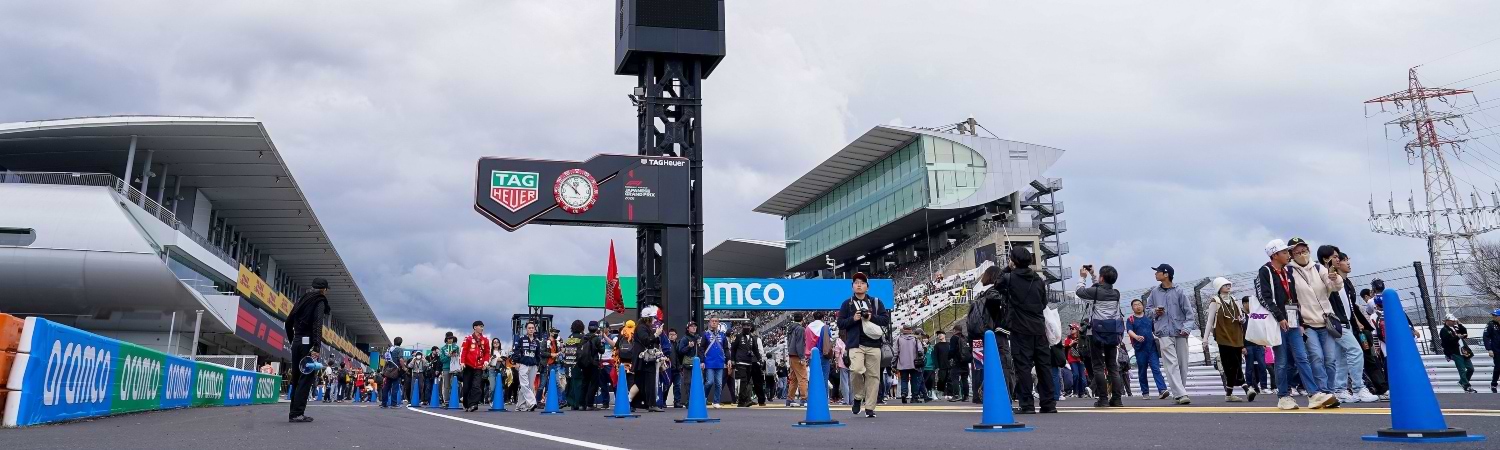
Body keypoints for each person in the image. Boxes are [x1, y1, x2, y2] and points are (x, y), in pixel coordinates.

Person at [1256, 239, 1334, 410]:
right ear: (1275, 255)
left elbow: (1294, 298)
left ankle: (1313, 394)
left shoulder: (1287, 272)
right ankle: (1283, 396)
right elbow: (1264, 297)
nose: (1288, 255)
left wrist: (1299, 321)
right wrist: (1279, 316)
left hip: (1292, 320)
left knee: (1302, 357)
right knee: (1282, 360)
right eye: (1284, 252)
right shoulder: (1265, 271)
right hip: (1277, 323)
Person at [987, 247, 1055, 414]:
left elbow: (995, 285)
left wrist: (1008, 268)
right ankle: (1049, 404)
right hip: (1039, 328)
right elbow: (1044, 303)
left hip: (1019, 327)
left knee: (1023, 366)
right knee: (1043, 366)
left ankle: (1027, 404)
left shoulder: (1009, 278)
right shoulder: (1038, 280)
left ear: (1013, 260)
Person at [1285, 238, 1341, 408]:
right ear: (1291, 254)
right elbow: (1289, 298)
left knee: (1330, 359)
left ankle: (1331, 391)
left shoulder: (1318, 268)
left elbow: (1335, 286)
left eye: (1303, 250)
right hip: (1307, 323)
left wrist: (1335, 278)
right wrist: (1296, 322)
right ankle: (1322, 392)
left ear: (1308, 250)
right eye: (1297, 252)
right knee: (1316, 357)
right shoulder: (1289, 272)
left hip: (1326, 321)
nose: (1301, 254)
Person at [1322, 247, 1379, 403]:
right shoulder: (1325, 279)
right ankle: (1358, 388)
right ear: (1327, 259)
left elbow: (1350, 305)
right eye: (1337, 257)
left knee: (1340, 358)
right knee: (1355, 351)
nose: (1340, 260)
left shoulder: (1344, 282)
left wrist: (1357, 322)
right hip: (1335, 323)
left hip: (1346, 323)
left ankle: (1340, 390)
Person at [837, 271, 891, 418]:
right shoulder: (847, 304)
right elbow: (840, 323)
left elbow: (885, 321)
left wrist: (870, 317)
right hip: (855, 344)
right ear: (852, 287)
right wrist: (853, 318)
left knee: (874, 376)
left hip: (874, 344)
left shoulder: (876, 302)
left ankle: (870, 407)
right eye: (856, 283)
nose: (859, 285)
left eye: (862, 283)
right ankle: (858, 396)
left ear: (867, 287)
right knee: (855, 370)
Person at [1145, 263, 1196, 405]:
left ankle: (1179, 393)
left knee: (1182, 364)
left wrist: (1186, 329)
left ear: (1166, 274)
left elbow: (1189, 314)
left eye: (1158, 272)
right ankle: (1181, 394)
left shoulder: (1180, 291)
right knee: (1171, 363)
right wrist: (1155, 311)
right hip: (1163, 332)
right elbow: (1147, 311)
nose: (1155, 274)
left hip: (1181, 332)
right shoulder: (1154, 292)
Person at [1077, 265, 1125, 407]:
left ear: (1102, 278)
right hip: (1113, 332)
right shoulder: (1116, 293)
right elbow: (1101, 287)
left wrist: (1083, 277)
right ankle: (1117, 399)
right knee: (1112, 367)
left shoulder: (1095, 292)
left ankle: (1103, 399)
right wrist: (1093, 275)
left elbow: (1080, 291)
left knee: (1098, 367)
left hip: (1096, 333)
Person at [284, 278, 331, 422]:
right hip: (309, 343)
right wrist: (316, 346)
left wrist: (293, 340)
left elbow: (288, 322)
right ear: (323, 289)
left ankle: (293, 412)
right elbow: (317, 324)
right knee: (306, 377)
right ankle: (298, 413)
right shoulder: (319, 300)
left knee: (297, 378)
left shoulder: (302, 299)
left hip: (297, 341)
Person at [1202, 277, 1248, 402]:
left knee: (1234, 364)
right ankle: (1246, 387)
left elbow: (1241, 316)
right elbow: (1209, 321)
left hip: (1236, 336)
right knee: (1233, 362)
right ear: (1219, 287)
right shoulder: (1215, 301)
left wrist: (1241, 320)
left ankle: (1229, 394)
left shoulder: (1234, 299)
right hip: (1223, 337)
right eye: (1225, 285)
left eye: (1229, 284)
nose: (1228, 286)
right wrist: (1205, 339)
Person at [1126, 298, 1166, 399]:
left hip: (1152, 347)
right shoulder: (1130, 319)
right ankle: (1145, 392)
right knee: (1142, 370)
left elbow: (1155, 330)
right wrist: (1136, 337)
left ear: (1143, 306)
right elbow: (1129, 331)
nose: (1138, 306)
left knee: (1156, 368)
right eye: (1135, 305)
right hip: (1140, 349)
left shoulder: (1149, 318)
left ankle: (1162, 390)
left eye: (1139, 304)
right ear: (1132, 308)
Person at [632, 309, 664, 412]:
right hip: (644, 358)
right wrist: (656, 334)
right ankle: (650, 404)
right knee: (646, 382)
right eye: (653, 317)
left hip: (644, 358)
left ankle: (635, 403)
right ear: (648, 318)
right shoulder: (641, 328)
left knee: (640, 382)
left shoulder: (644, 327)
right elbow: (646, 340)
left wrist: (656, 335)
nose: (654, 319)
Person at [1439, 314, 1478, 393]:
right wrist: (1457, 337)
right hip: (1455, 351)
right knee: (1462, 369)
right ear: (1447, 321)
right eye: (1452, 321)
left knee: (1471, 368)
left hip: (1464, 350)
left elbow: (1465, 333)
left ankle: (1461, 382)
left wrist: (1459, 324)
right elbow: (1447, 342)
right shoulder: (1444, 330)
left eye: (1454, 321)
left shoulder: (1456, 327)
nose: (1454, 322)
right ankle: (1466, 386)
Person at [457, 321, 490, 411]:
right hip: (468, 366)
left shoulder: (485, 339)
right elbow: (463, 351)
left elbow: (487, 352)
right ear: (475, 327)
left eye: (483, 326)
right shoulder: (468, 338)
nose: (482, 328)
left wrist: (486, 361)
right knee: (467, 386)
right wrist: (462, 362)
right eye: (480, 326)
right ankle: (466, 404)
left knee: (476, 386)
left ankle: (473, 404)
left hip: (479, 367)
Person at [1242, 297, 1271, 395]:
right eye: (1249, 303)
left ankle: (1264, 387)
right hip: (1248, 345)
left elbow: (1262, 328)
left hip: (1259, 344)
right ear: (1245, 304)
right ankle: (1250, 386)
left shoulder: (1256, 315)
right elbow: (1240, 332)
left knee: (1263, 366)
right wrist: (1242, 346)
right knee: (1249, 367)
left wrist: (1264, 343)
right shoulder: (1242, 316)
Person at [699, 317, 728, 408]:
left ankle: (716, 401)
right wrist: (702, 361)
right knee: (709, 382)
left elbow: (726, 349)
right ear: (709, 323)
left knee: (719, 383)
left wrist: (729, 359)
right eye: (713, 321)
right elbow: (701, 348)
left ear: (718, 323)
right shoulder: (705, 334)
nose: (714, 323)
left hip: (720, 361)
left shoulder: (722, 335)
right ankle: (703, 398)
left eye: (716, 321)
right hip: (709, 362)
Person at [730, 323, 760, 408]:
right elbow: (733, 348)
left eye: (748, 327)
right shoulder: (738, 337)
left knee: (747, 382)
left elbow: (755, 349)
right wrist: (733, 360)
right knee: (743, 380)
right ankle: (741, 401)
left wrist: (759, 359)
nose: (746, 328)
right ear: (742, 328)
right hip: (740, 362)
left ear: (750, 328)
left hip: (749, 362)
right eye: (745, 327)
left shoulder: (752, 338)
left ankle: (746, 399)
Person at [512, 321, 541, 411]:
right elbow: (516, 351)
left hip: (533, 365)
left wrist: (538, 364)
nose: (531, 329)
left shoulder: (537, 341)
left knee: (529, 386)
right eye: (529, 328)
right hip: (523, 364)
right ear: (526, 329)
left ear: (535, 329)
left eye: (532, 328)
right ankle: (532, 402)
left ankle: (520, 405)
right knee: (524, 384)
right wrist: (516, 362)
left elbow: (538, 354)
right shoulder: (521, 339)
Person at [675, 321, 700, 408]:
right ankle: (689, 401)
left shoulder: (698, 338)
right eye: (691, 326)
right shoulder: (685, 339)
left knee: (698, 383)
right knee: (688, 383)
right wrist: (689, 347)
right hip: (688, 364)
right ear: (688, 328)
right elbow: (680, 351)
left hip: (697, 364)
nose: (694, 328)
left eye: (695, 326)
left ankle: (696, 401)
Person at [786, 312, 808, 407]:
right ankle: (804, 399)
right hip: (797, 356)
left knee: (793, 378)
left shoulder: (790, 328)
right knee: (803, 378)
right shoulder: (801, 329)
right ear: (802, 319)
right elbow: (800, 344)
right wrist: (802, 357)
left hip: (791, 355)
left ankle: (790, 399)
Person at [895, 325, 921, 403]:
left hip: (902, 363)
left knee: (904, 379)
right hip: (914, 363)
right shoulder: (915, 339)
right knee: (914, 380)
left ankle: (904, 394)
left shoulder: (898, 339)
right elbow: (920, 350)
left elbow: (895, 352)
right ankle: (914, 397)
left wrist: (894, 363)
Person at [380, 337, 406, 409]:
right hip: (395, 371)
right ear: (400, 343)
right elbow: (400, 359)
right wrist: (404, 368)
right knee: (395, 388)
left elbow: (386, 360)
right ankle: (393, 404)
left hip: (388, 370)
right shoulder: (399, 349)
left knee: (386, 387)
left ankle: (384, 403)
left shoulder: (389, 349)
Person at [946, 326, 970, 402]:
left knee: (955, 379)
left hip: (957, 361)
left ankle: (956, 395)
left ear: (954, 330)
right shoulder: (965, 337)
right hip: (965, 361)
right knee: (964, 379)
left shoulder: (954, 338)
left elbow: (952, 350)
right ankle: (966, 396)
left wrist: (949, 357)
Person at [438, 333, 459, 408]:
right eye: (449, 339)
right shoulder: (443, 348)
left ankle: (454, 399)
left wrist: (455, 355)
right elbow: (442, 359)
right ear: (446, 339)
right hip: (446, 368)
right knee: (446, 385)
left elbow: (459, 357)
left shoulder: (456, 347)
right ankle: (446, 401)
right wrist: (448, 356)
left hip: (455, 368)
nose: (450, 340)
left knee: (455, 384)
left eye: (451, 338)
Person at [1484, 309, 1500, 393]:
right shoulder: (1490, 324)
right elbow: (1486, 337)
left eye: (1495, 315)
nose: (1493, 317)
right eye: (1493, 315)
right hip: (1496, 350)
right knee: (1498, 367)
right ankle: (1494, 384)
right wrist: (1489, 349)